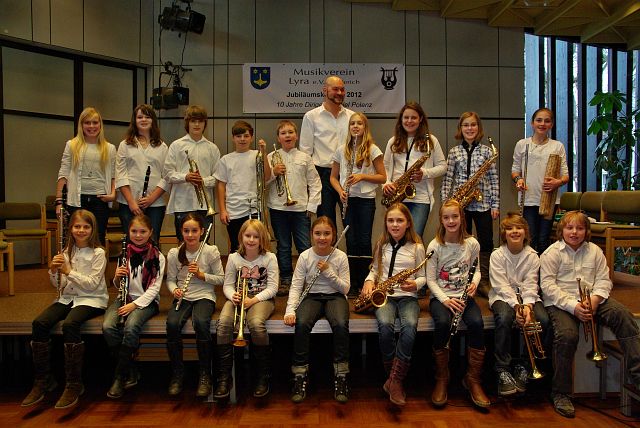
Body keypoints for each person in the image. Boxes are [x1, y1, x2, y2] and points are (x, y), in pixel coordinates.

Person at [540, 210, 640, 418]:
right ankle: (561, 393)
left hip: (592, 299)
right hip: (562, 303)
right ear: (562, 230)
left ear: (586, 231)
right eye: (569, 228)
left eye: (580, 228)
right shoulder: (551, 253)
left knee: (623, 316)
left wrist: (594, 300)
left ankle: (637, 375)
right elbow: (548, 287)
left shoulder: (595, 251)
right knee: (567, 335)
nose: (574, 232)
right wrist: (574, 306)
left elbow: (604, 280)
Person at [21, 210, 108, 409]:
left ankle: (74, 384)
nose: (81, 230)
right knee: (39, 323)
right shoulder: (66, 251)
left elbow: (92, 285)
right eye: (77, 226)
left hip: (92, 299)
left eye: (86, 227)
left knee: (70, 324)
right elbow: (58, 285)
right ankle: (43, 379)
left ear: (93, 229)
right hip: (68, 297)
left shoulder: (99, 253)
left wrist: (69, 271)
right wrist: (53, 270)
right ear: (70, 229)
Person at [426, 199, 490, 408]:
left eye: (455, 216)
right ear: (441, 220)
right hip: (442, 297)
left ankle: (473, 379)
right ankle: (441, 377)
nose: (451, 221)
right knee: (443, 323)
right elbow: (430, 280)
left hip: (464, 296)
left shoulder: (472, 243)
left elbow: (476, 271)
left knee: (477, 323)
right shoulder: (435, 246)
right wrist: (445, 300)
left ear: (462, 218)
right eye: (446, 217)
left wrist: (474, 284)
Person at [361, 203, 426, 406]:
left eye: (400, 220)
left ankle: (394, 380)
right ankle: (394, 378)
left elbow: (423, 276)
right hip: (384, 297)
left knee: (409, 326)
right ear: (386, 223)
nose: (395, 224)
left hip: (408, 297)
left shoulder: (417, 247)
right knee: (385, 325)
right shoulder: (381, 244)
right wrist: (369, 281)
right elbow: (375, 269)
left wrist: (416, 284)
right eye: (391, 220)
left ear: (408, 223)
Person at [284, 216, 350, 404]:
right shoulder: (305, 256)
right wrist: (290, 310)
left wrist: (329, 272)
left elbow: (345, 288)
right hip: (312, 296)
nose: (322, 237)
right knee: (302, 323)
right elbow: (296, 286)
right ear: (311, 235)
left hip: (335, 296)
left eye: (327, 233)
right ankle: (299, 375)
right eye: (318, 233)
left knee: (341, 323)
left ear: (334, 235)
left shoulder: (340, 256)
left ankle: (341, 376)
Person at [214, 219, 278, 400]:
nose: (251, 240)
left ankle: (262, 375)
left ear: (262, 238)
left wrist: (253, 300)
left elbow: (273, 287)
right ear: (241, 236)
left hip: (261, 298)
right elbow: (227, 285)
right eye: (247, 235)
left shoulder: (269, 258)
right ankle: (225, 376)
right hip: (238, 297)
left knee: (256, 324)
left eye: (255, 237)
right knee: (223, 324)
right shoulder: (234, 258)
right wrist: (232, 295)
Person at [102, 214, 165, 399]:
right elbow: (117, 285)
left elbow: (154, 288)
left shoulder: (158, 256)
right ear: (128, 232)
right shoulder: (124, 254)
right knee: (107, 326)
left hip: (147, 302)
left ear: (150, 232)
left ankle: (119, 376)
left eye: (142, 231)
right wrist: (117, 277)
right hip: (124, 298)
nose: (138, 235)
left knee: (131, 326)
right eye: (134, 231)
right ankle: (130, 369)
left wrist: (134, 305)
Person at [489, 212, 550, 396]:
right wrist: (517, 306)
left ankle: (525, 364)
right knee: (504, 317)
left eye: (519, 228)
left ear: (526, 232)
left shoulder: (533, 256)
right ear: (504, 234)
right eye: (509, 228)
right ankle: (502, 368)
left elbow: (531, 284)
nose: (514, 231)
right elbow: (501, 286)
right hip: (502, 296)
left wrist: (528, 306)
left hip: (527, 297)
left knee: (542, 319)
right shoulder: (497, 255)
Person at [165, 213, 224, 397]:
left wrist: (201, 275)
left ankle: (205, 374)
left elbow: (221, 279)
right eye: (186, 231)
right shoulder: (174, 253)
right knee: (172, 324)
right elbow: (170, 280)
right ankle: (177, 373)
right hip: (183, 296)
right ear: (181, 232)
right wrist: (175, 290)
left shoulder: (210, 251)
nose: (190, 235)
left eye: (194, 231)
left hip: (204, 295)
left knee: (200, 322)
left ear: (202, 231)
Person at [441, 112, 499, 295]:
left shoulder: (487, 151)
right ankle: (463, 278)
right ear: (461, 128)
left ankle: (483, 281)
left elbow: (494, 179)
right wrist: (445, 204)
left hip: (483, 204)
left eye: (473, 124)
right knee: (462, 242)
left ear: (478, 127)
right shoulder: (454, 152)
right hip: (460, 205)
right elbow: (447, 179)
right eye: (466, 125)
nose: (469, 128)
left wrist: (495, 204)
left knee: (486, 242)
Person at [266, 120, 321, 296]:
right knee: (283, 246)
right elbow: (262, 182)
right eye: (283, 133)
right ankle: (286, 279)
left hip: (300, 210)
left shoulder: (305, 158)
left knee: (304, 245)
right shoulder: (270, 157)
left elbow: (315, 183)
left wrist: (312, 206)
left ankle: (307, 278)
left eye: (290, 132)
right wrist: (273, 173)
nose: (287, 135)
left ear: (296, 136)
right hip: (277, 208)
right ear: (278, 138)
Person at [382, 101, 446, 237]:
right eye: (406, 117)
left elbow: (443, 166)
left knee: (415, 237)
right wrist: (386, 183)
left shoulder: (431, 141)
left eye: (413, 117)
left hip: (420, 199)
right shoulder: (393, 141)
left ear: (420, 119)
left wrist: (425, 173)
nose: (409, 121)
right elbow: (385, 167)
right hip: (396, 197)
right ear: (401, 119)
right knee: (396, 237)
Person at [55, 107, 117, 244]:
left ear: (100, 125)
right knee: (76, 239)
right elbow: (63, 173)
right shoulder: (71, 145)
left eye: (95, 122)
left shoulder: (110, 148)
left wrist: (113, 194)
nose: (91, 126)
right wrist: (59, 202)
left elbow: (114, 176)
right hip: (76, 200)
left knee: (98, 238)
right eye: (87, 123)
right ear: (81, 125)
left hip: (100, 200)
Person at [512, 108, 569, 254]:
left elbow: (565, 176)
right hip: (528, 199)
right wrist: (519, 180)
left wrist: (557, 182)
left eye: (547, 121)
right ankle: (532, 268)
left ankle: (544, 268)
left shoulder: (557, 146)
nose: (542, 124)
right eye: (539, 120)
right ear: (532, 123)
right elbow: (515, 170)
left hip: (549, 200)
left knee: (544, 239)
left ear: (551, 124)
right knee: (531, 238)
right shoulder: (522, 144)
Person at [299, 76, 354, 227]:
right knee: (325, 223)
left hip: (347, 174)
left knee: (350, 223)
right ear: (325, 90)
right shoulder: (311, 116)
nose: (340, 92)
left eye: (342, 89)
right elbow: (305, 153)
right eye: (335, 89)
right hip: (322, 175)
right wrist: (310, 181)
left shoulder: (352, 117)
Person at [163, 105, 220, 241]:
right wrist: (186, 177)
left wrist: (203, 181)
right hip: (182, 203)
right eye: (193, 121)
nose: (197, 124)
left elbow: (218, 177)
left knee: (203, 243)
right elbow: (167, 173)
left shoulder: (212, 148)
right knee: (183, 243)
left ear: (205, 124)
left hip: (205, 205)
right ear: (187, 123)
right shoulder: (176, 145)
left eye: (200, 121)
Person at [215, 120, 271, 253]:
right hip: (233, 210)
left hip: (254, 208)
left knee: (257, 246)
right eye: (238, 136)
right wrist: (222, 210)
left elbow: (267, 176)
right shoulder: (226, 159)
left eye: (246, 136)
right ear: (233, 138)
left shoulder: (257, 155)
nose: (242, 139)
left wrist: (264, 153)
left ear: (251, 138)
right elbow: (221, 185)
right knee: (236, 246)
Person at [115, 104, 169, 243]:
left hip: (155, 203)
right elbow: (121, 175)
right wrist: (131, 202)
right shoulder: (124, 145)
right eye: (140, 117)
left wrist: (151, 198)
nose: (144, 120)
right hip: (129, 204)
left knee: (153, 241)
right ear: (134, 120)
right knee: (131, 242)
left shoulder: (162, 146)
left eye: (147, 117)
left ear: (153, 120)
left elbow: (166, 176)